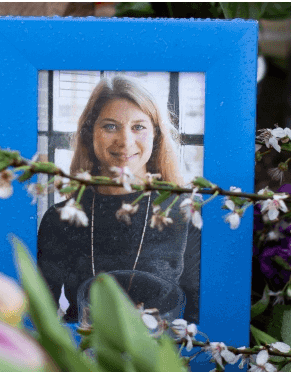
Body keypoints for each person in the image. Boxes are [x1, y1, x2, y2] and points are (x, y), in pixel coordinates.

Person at [37, 76, 200, 323]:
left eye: (138, 127)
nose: (125, 141)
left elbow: (198, 314)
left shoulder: (185, 212)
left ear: (156, 135)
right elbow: (41, 317)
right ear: (89, 133)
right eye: (110, 126)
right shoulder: (60, 219)